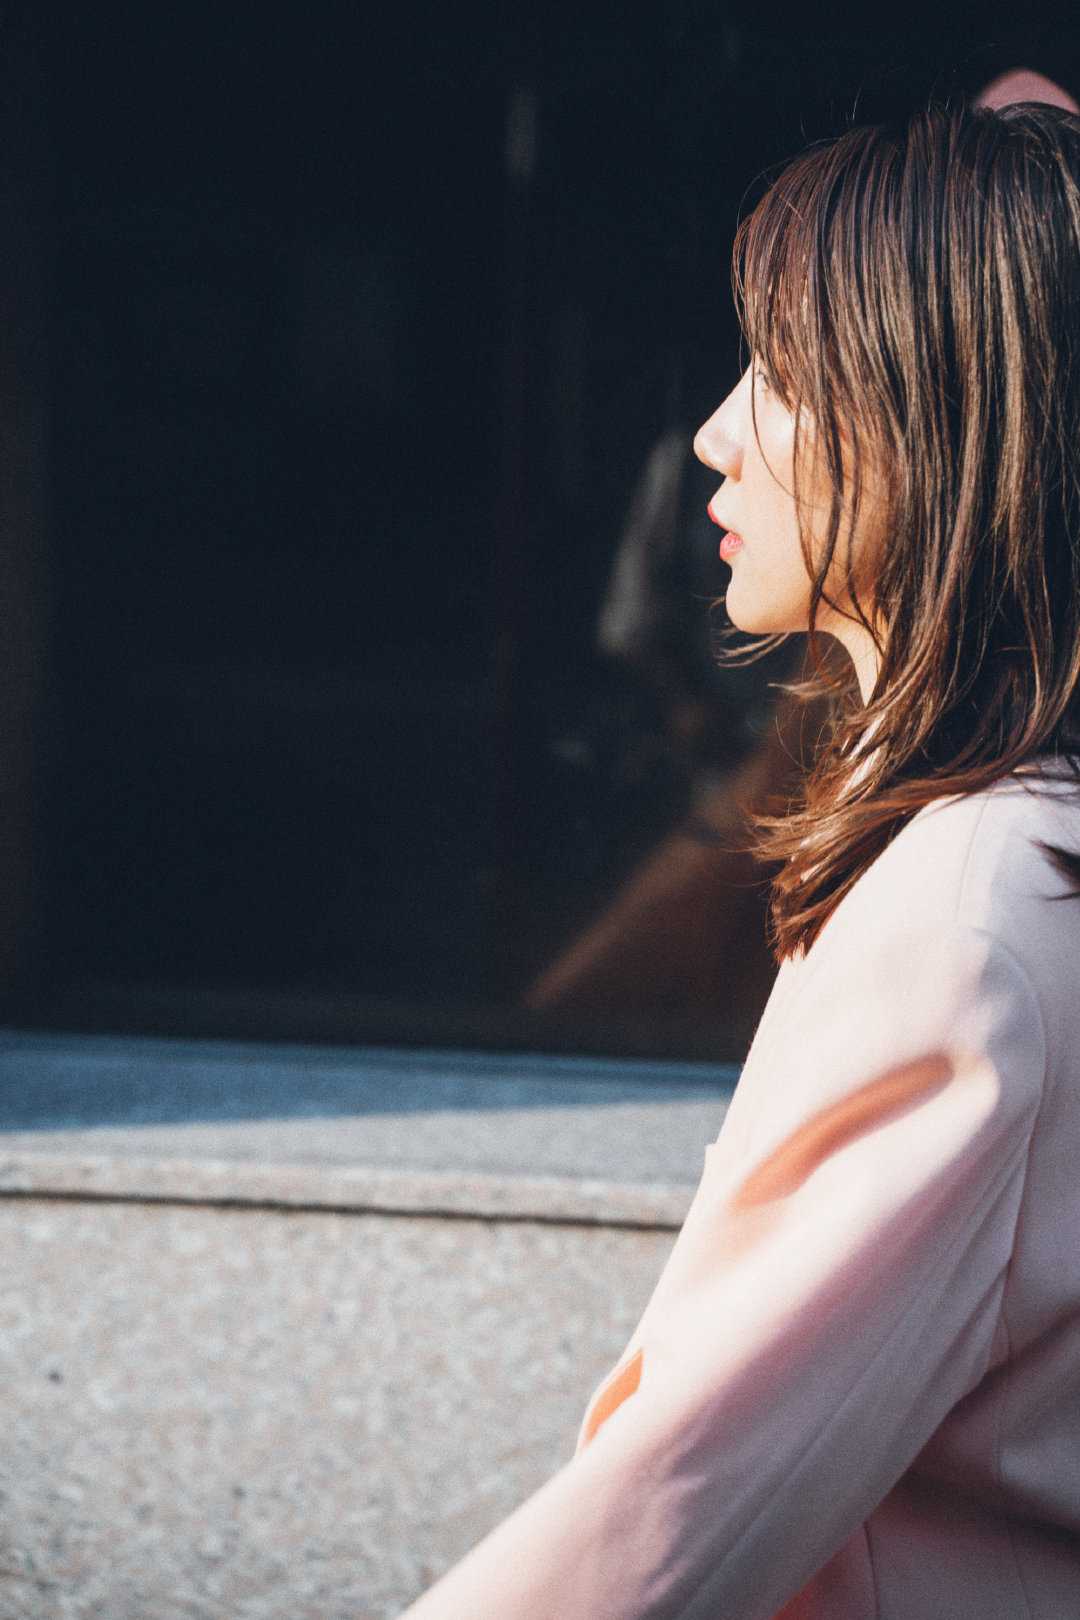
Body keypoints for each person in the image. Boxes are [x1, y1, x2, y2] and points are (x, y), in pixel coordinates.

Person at [398, 97, 1080, 1618]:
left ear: (937, 419)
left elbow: (675, 1513)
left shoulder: (966, 925)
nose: (714, 431)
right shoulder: (1019, 848)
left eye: (781, 370)